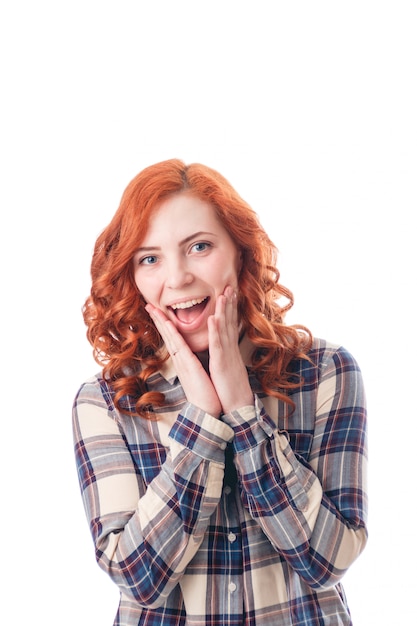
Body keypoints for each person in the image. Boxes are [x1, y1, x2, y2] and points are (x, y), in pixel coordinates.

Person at [72, 159, 368, 626]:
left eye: (199, 247)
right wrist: (203, 420)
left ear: (240, 250)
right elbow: (137, 576)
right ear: (132, 276)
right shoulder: (106, 401)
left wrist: (244, 413)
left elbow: (326, 561)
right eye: (149, 258)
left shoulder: (325, 371)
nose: (177, 278)